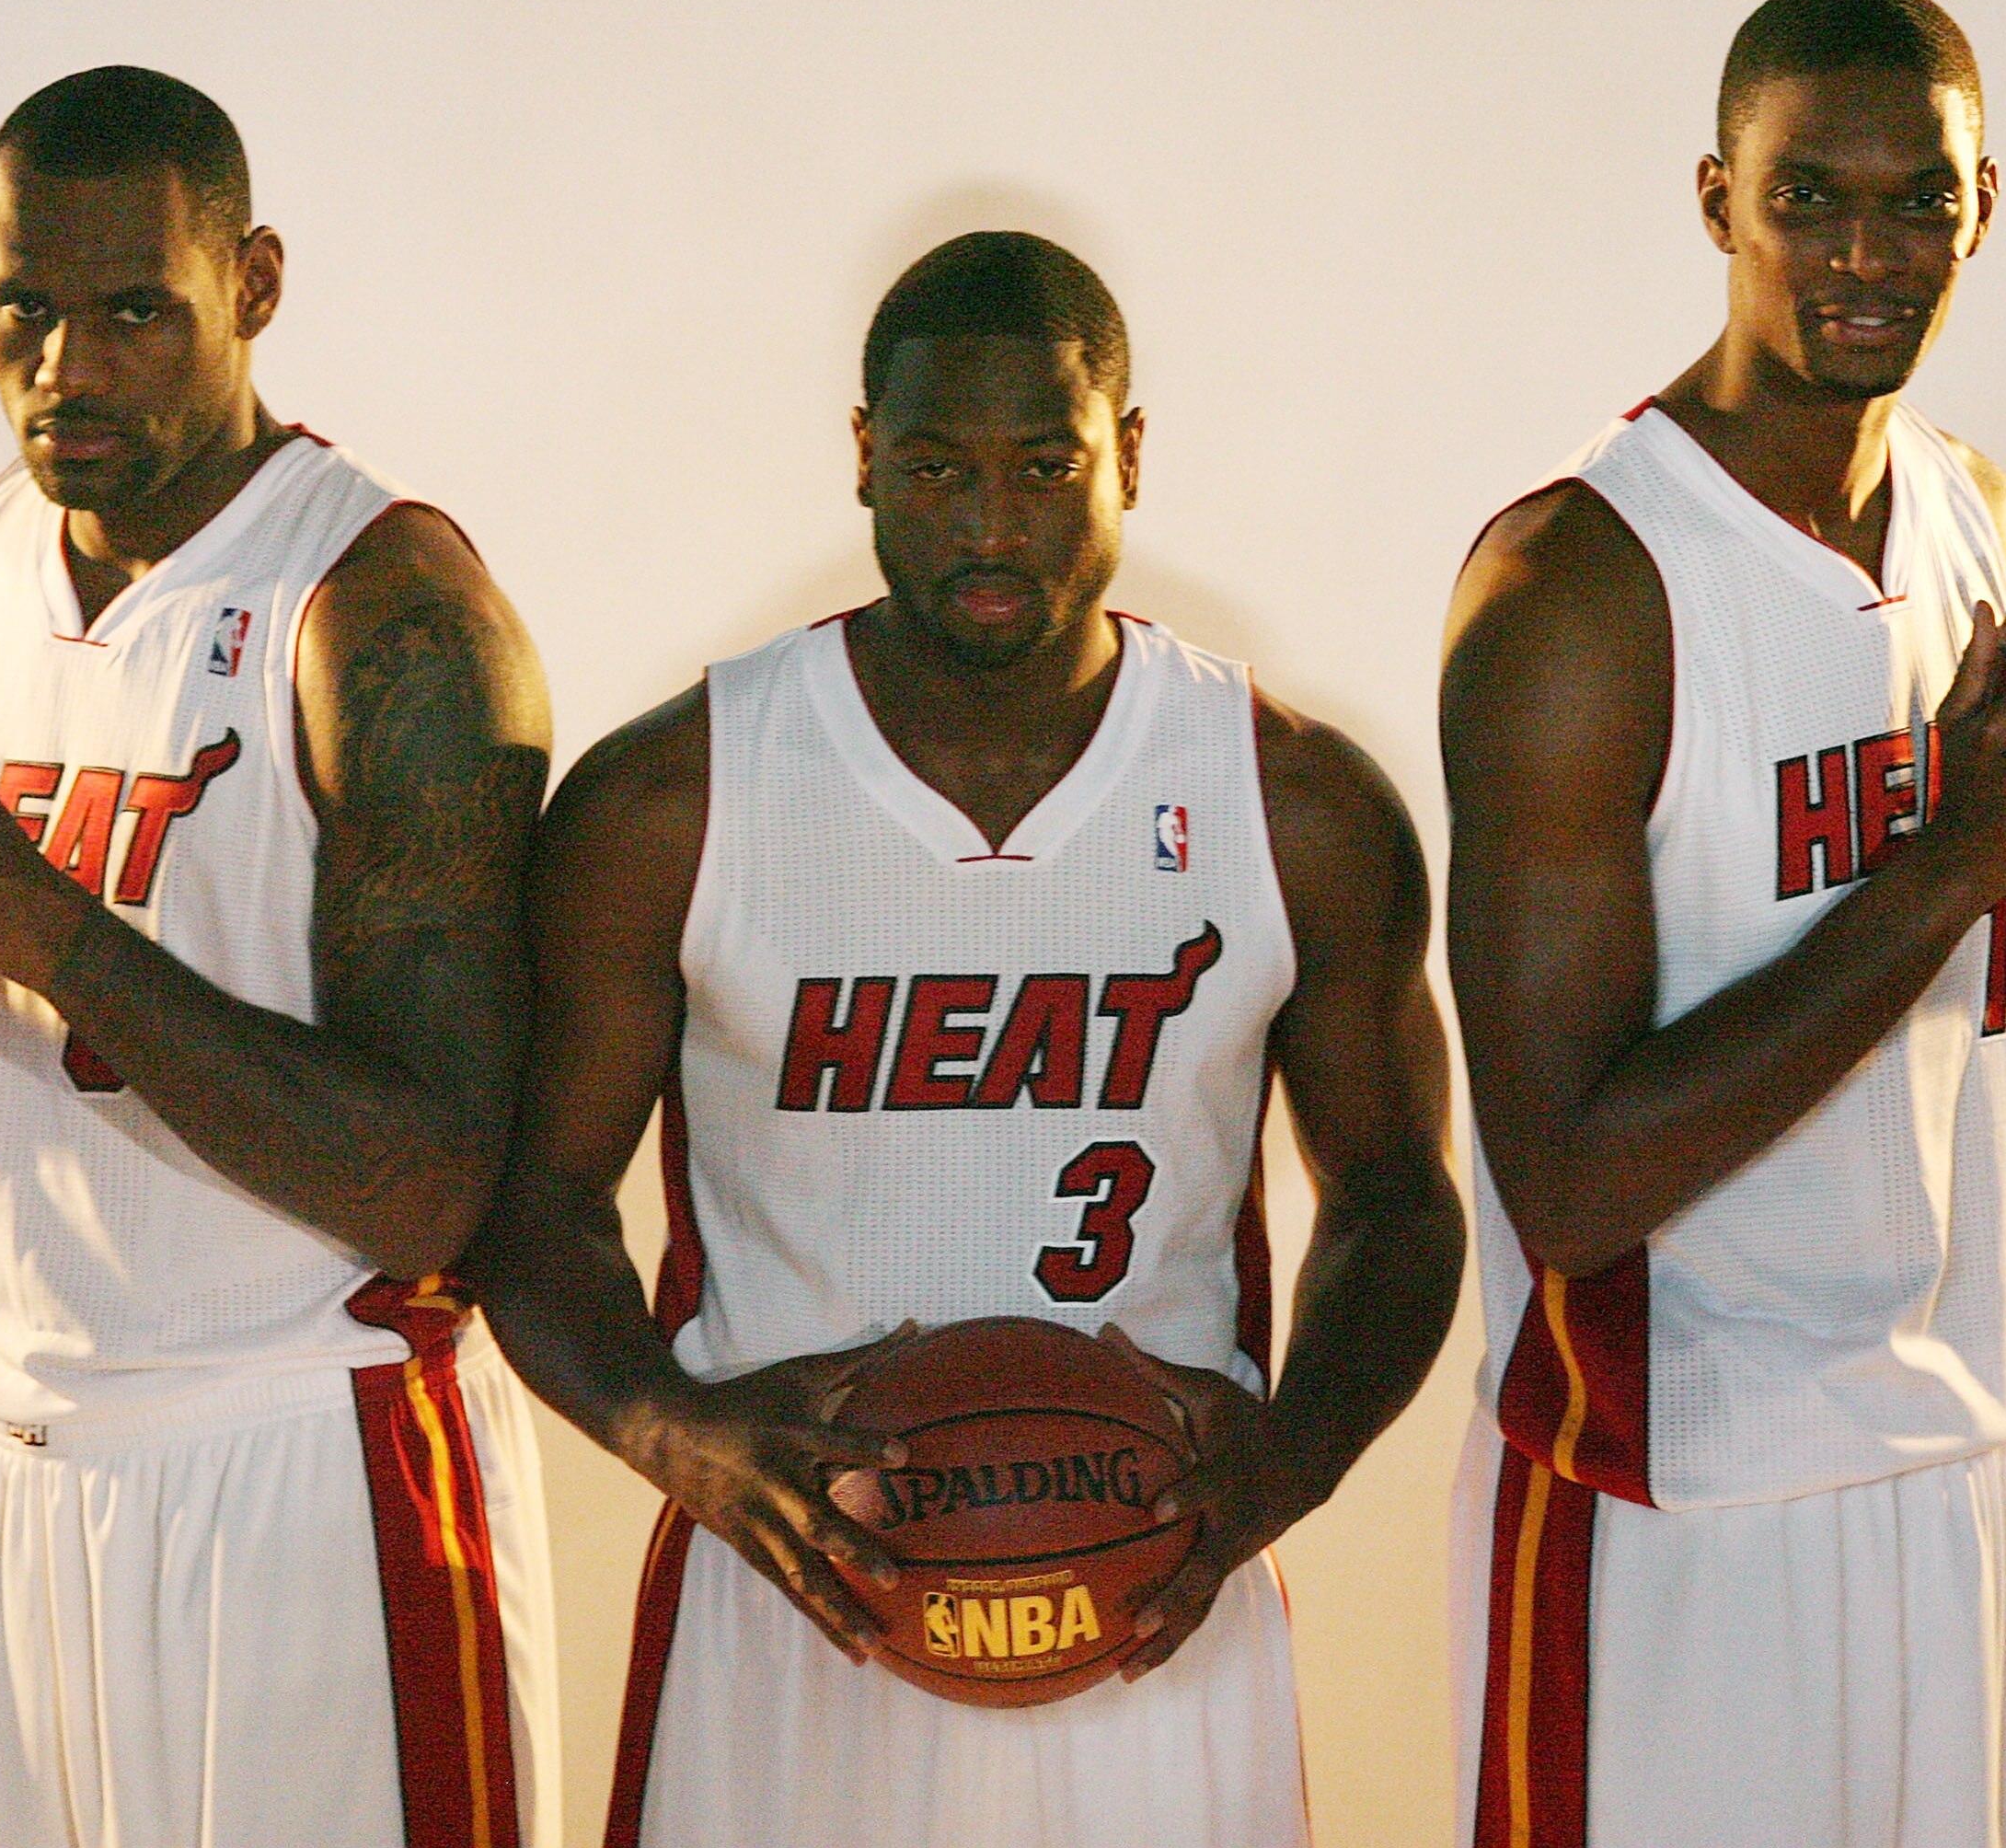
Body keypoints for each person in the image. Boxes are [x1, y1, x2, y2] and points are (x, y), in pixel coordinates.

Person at [470, 230, 1464, 1848]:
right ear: (862, 455)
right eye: (936, 467)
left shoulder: (1292, 803)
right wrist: (676, 1435)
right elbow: (535, 1204)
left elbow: (1400, 1201)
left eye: (1048, 466)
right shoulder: (675, 801)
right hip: (801, 1594)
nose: (992, 524)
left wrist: (1283, 1468)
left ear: (1131, 456)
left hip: (1155, 1597)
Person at [0, 66, 561, 1848]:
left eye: (134, 310)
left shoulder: (383, 613)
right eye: (26, 310)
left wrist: (41, 929)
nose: (68, 370)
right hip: (2, 1455)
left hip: (304, 1456)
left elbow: (437, 1184)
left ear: (256, 282)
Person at [1438, 0, 2006, 1848]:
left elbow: (1974, 1013)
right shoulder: (1577, 592)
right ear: (1721, 202)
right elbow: (1565, 1178)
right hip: (1678, 1494)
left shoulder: (1985, 526)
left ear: (1983, 204)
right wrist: (1952, 857)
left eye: (1916, 199)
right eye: (1809, 199)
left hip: (1962, 1460)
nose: (1866, 252)